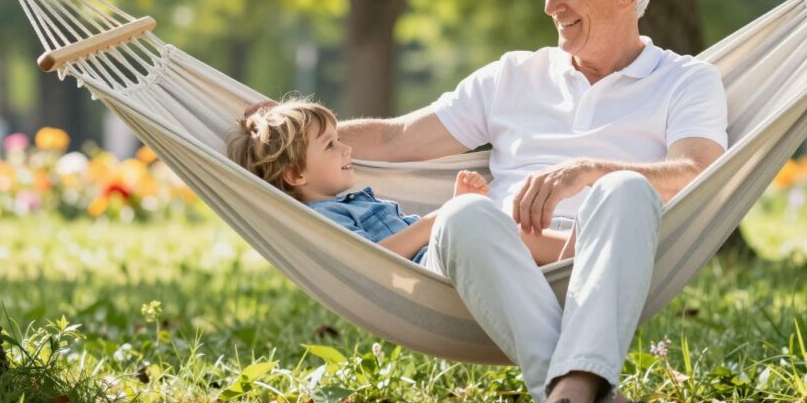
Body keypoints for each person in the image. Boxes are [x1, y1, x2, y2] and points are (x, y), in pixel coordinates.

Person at [339, 0, 728, 403]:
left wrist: (593, 170)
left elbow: (697, 171)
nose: (551, 6)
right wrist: (296, 127)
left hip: (605, 254)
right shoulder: (512, 76)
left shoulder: (686, 80)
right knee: (460, 215)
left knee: (622, 190)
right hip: (494, 254)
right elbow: (398, 138)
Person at [226, 99, 576, 266]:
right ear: (295, 175)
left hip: (446, 260)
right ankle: (583, 252)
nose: (347, 147)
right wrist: (440, 220)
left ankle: (577, 253)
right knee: (495, 232)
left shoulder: (353, 202)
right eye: (330, 145)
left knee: (498, 232)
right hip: (433, 276)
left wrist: (453, 210)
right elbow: (374, 260)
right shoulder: (325, 218)